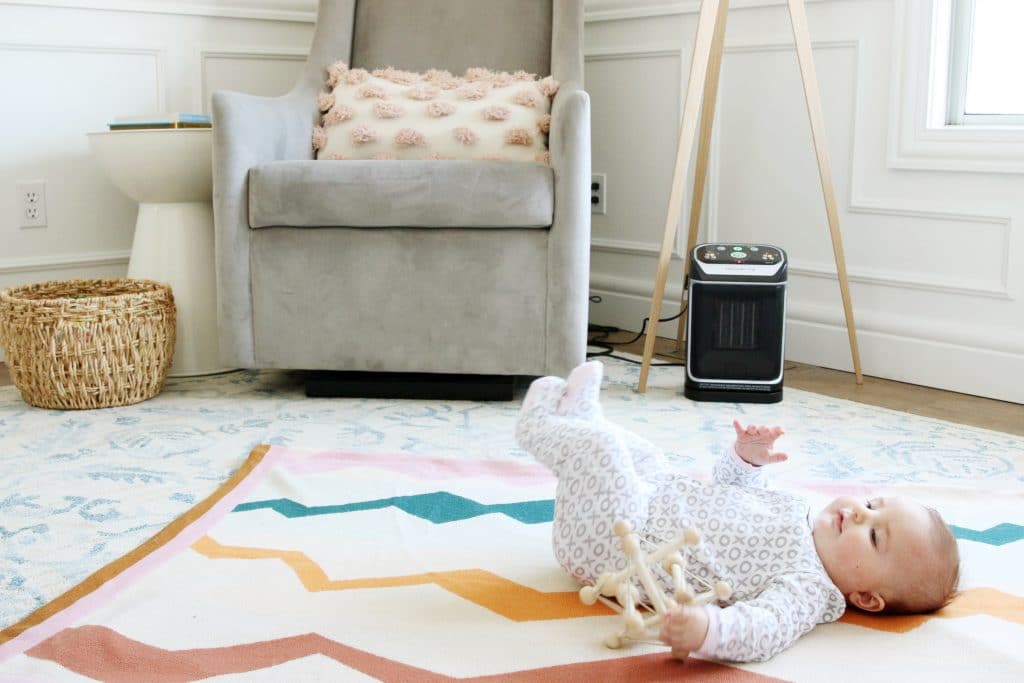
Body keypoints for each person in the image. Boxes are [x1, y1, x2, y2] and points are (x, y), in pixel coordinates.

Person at [514, 361, 961, 662]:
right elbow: (733, 490)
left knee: (606, 451)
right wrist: (746, 459)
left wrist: (707, 630)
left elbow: (763, 628)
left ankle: (539, 428)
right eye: (871, 504)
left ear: (865, 596)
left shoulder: (809, 588)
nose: (860, 515)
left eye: (875, 537)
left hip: (613, 547)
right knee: (645, 452)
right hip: (650, 497)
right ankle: (583, 418)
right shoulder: (800, 511)